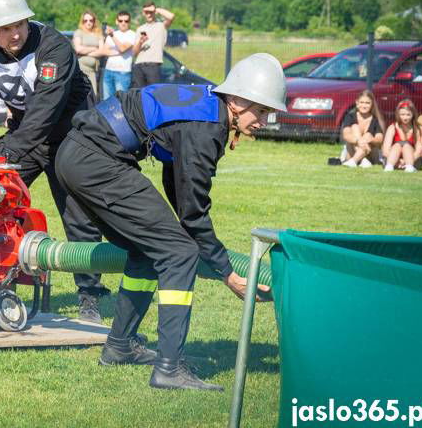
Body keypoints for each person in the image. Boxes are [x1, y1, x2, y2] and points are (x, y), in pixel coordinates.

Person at [55, 53, 284, 391]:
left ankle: (119, 346)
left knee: (150, 251)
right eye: (262, 110)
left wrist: (180, 226)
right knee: (179, 252)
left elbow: (175, 178)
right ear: (236, 100)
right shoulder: (208, 128)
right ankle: (169, 368)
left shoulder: (206, 105)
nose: (264, 121)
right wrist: (227, 272)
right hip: (95, 160)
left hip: (78, 155)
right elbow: (193, 210)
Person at [0, 0, 110, 322]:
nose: (15, 34)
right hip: (26, 135)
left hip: (70, 137)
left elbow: (44, 112)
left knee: (77, 216)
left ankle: (90, 296)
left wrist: (7, 156)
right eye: (6, 28)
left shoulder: (54, 46)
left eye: (20, 24)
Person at [132, 2, 174, 87]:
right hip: (139, 65)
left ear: (154, 12)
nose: (149, 14)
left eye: (151, 12)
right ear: (143, 13)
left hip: (153, 65)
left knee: (152, 93)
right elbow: (134, 52)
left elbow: (171, 16)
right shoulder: (140, 28)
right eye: (146, 12)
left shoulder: (161, 26)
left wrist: (156, 9)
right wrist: (140, 42)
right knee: (139, 94)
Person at [340, 90, 384, 168]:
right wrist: (358, 141)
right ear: (357, 103)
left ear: (372, 104)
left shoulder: (375, 119)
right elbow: (346, 135)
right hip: (351, 151)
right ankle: (362, 160)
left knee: (368, 135)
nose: (364, 106)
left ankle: (354, 161)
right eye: (362, 102)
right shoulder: (350, 116)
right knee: (355, 127)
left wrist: (371, 140)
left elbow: (380, 139)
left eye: (367, 103)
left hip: (371, 155)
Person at [72, 10, 107, 100]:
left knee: (94, 95)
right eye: (85, 20)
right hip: (81, 69)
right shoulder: (79, 32)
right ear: (82, 22)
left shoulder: (98, 33)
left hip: (94, 71)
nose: (88, 23)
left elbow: (102, 51)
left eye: (91, 20)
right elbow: (78, 49)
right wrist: (94, 48)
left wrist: (85, 50)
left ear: (94, 21)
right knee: (83, 96)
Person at [101, 11, 135, 100]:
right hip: (108, 70)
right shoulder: (112, 34)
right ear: (117, 21)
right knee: (106, 101)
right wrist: (118, 53)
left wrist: (112, 36)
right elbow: (104, 51)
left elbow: (122, 48)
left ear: (129, 22)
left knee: (120, 102)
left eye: (126, 21)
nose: (123, 23)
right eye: (121, 21)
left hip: (123, 72)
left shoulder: (132, 34)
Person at [383, 99, 422, 172]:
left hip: (412, 159)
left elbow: (419, 150)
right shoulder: (392, 127)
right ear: (398, 114)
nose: (405, 117)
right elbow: (385, 150)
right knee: (397, 145)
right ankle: (389, 166)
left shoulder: (418, 128)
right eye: (402, 114)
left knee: (406, 146)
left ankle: (409, 167)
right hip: (393, 158)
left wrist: (407, 160)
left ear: (413, 114)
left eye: (408, 115)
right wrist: (399, 161)